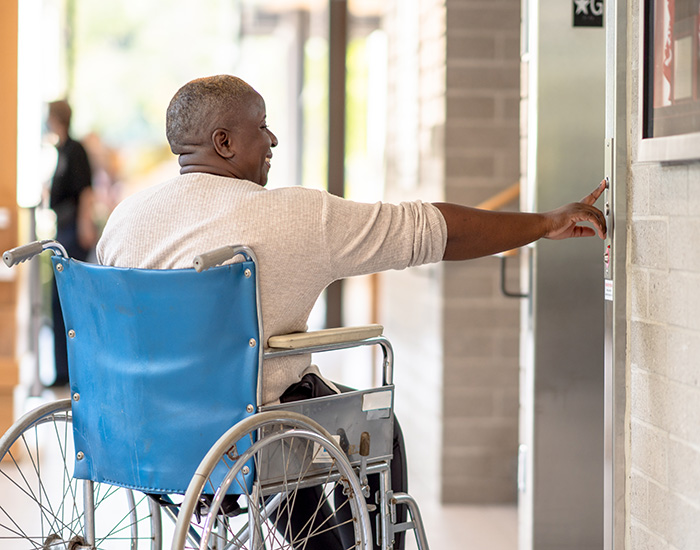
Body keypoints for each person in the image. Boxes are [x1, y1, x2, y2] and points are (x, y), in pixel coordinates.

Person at [96, 75, 607, 548]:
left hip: (141, 432)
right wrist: (543, 222)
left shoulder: (124, 221)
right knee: (368, 423)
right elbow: (433, 230)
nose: (272, 140)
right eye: (262, 126)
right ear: (225, 143)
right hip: (245, 432)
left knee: (296, 420)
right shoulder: (293, 216)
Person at [47, 99, 96, 386]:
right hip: (62, 228)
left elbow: (85, 192)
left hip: (72, 231)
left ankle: (72, 371)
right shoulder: (62, 150)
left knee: (68, 298)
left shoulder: (75, 151)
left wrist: (85, 225)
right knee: (58, 301)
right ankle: (62, 371)